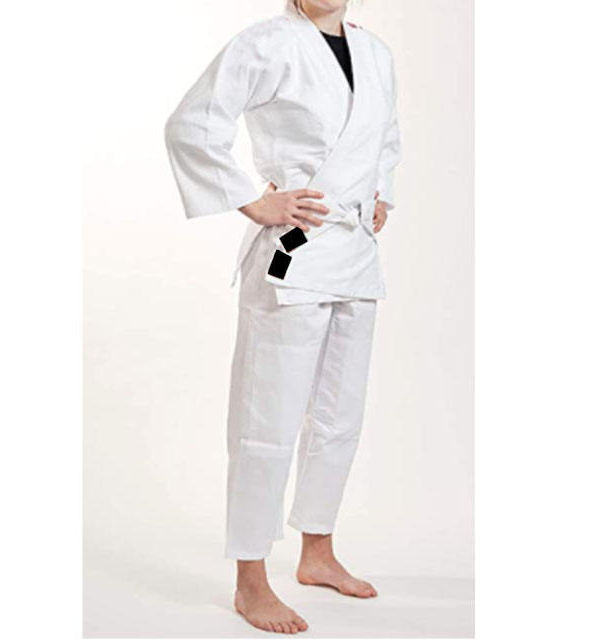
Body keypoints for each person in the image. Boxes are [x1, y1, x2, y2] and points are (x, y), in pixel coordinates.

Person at [165, 0, 401, 633]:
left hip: (355, 251)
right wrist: (252, 200)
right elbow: (192, 125)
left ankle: (317, 553)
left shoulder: (375, 53)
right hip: (294, 253)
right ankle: (250, 580)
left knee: (339, 415)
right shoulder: (265, 43)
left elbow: (386, 140)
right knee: (264, 422)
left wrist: (381, 196)